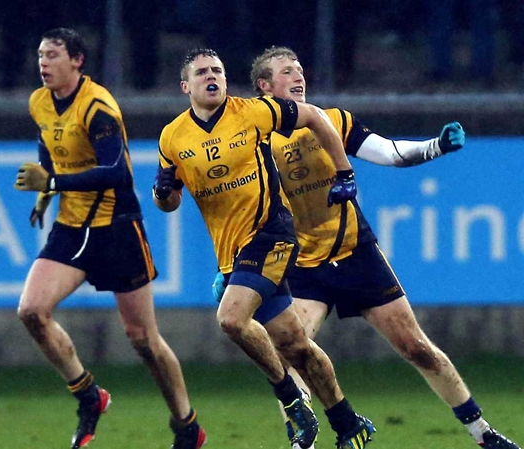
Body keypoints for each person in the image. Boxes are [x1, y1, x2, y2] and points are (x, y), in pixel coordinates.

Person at [212, 45, 520, 449]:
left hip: (356, 253)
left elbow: (389, 152)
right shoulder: (252, 141)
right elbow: (235, 208)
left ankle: (483, 434)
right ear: (264, 86)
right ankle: (303, 441)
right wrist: (230, 265)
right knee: (293, 353)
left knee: (416, 347)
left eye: (299, 68)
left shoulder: (332, 120)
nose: (298, 75)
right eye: (286, 71)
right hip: (300, 265)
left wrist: (436, 146)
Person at [154, 47, 374, 449]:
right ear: (186, 86)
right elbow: (168, 202)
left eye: (217, 69)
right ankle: (347, 422)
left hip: (271, 233)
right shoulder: (172, 137)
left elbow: (315, 116)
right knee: (295, 344)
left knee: (231, 319)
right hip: (231, 252)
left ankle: (291, 399)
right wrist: (163, 193)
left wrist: (345, 171)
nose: (211, 76)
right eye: (202, 72)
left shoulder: (255, 112)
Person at [13, 28, 206, 449]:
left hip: (117, 227)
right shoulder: (39, 101)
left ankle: (187, 426)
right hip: (72, 226)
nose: (43, 62)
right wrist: (45, 195)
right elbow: (49, 148)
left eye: (53, 55)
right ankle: (89, 396)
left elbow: (115, 172)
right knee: (31, 311)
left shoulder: (98, 107)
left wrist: (53, 182)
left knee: (142, 339)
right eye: (40, 55)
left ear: (77, 61)